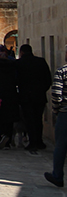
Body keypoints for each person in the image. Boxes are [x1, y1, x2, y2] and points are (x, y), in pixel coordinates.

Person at [17, 43, 51, 151]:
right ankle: (39, 141)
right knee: (38, 119)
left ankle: (32, 142)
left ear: (21, 52)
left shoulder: (19, 63)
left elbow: (16, 80)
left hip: (26, 96)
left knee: (29, 120)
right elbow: (48, 80)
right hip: (39, 96)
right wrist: (41, 90)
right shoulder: (41, 62)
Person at [0, 44, 20, 149]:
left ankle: (2, 135)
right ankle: (9, 138)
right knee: (10, 117)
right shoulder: (13, 63)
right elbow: (16, 78)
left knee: (0, 116)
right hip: (11, 92)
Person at [46, 46, 67, 188]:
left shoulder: (62, 71)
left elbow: (56, 94)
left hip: (65, 113)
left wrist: (55, 110)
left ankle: (58, 176)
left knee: (61, 146)